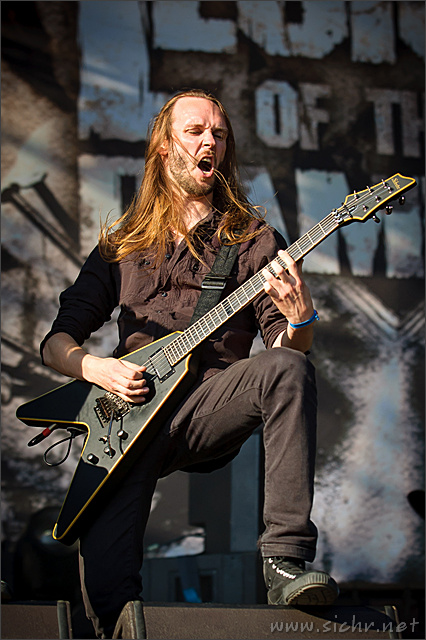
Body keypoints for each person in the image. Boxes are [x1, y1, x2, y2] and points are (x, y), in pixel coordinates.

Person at [41, 88, 339, 638]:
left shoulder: (251, 240)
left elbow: (284, 351)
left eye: (218, 134)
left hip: (207, 404)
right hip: (128, 418)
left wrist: (300, 321)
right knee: (106, 598)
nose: (210, 142)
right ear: (165, 146)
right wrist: (94, 368)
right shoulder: (123, 244)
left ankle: (284, 559)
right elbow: (57, 340)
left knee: (289, 369)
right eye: (196, 131)